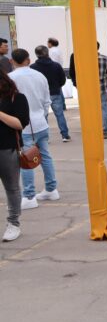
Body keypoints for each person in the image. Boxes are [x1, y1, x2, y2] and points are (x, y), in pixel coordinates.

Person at [10, 49, 58, 211]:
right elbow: (47, 100)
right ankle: (51, 189)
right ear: (28, 60)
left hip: (23, 125)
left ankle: (29, 196)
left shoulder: (11, 78)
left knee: (25, 160)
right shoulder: (40, 76)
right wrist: (42, 115)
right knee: (45, 156)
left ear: (12, 61)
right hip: (41, 122)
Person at [0, 69, 29, 242]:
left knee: (11, 188)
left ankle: (13, 223)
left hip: (7, 149)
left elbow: (20, 123)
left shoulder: (16, 98)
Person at [69, 42, 107, 138]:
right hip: (102, 87)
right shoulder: (105, 58)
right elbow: (106, 72)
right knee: (104, 109)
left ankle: (92, 129)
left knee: (89, 110)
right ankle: (104, 130)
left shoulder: (85, 60)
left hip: (89, 88)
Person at [31, 45, 69, 143]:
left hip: (40, 95)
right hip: (55, 92)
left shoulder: (33, 67)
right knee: (59, 114)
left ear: (36, 54)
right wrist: (57, 86)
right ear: (47, 53)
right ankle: (65, 135)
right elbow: (62, 80)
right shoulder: (56, 65)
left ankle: (45, 137)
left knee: (43, 116)